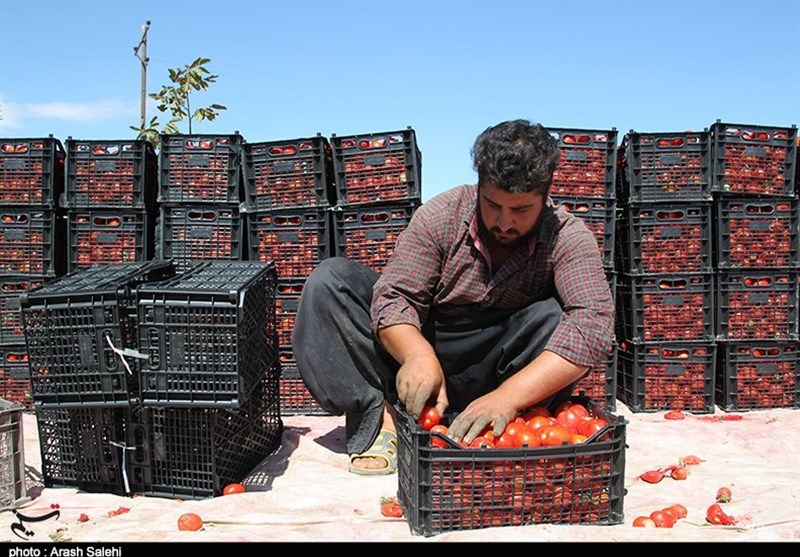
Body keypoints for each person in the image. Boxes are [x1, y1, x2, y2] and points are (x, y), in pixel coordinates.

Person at [292, 119, 615, 475]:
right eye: (492, 205)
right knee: (330, 283)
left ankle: (508, 422)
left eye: (521, 210)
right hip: (433, 343)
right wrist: (416, 354)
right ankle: (382, 415)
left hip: (504, 365)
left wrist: (507, 397)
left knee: (553, 318)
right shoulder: (441, 216)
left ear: (545, 195)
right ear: (479, 186)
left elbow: (592, 326)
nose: (504, 222)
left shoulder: (567, 236)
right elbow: (395, 295)